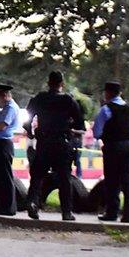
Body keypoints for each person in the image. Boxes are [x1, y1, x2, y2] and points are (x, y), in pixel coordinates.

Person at [23, 71, 85, 221]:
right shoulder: (68, 100)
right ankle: (66, 212)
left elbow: (27, 121)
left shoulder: (39, 98)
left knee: (37, 176)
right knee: (64, 179)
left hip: (44, 142)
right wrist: (70, 128)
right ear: (62, 84)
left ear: (48, 83)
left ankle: (32, 202)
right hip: (62, 143)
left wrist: (31, 132)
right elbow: (80, 125)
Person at [93, 81, 129, 222]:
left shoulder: (106, 109)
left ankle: (112, 212)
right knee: (128, 180)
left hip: (112, 146)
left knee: (112, 180)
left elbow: (97, 132)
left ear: (107, 93)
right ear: (120, 93)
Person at [0, 84, 21, 216]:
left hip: (3, 144)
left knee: (5, 177)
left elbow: (1, 126)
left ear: (5, 95)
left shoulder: (11, 108)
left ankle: (8, 207)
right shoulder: (6, 108)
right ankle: (2, 206)